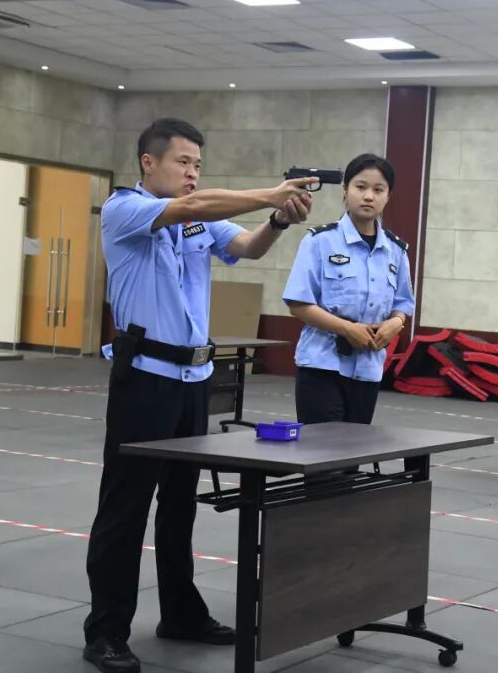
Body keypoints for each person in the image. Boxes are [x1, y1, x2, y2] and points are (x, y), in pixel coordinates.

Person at [83, 117, 318, 673]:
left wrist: (277, 220)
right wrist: (270, 193)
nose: (192, 173)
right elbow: (191, 207)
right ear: (149, 162)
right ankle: (106, 632)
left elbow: (247, 247)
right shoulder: (124, 208)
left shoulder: (199, 218)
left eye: (198, 165)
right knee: (125, 508)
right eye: (183, 162)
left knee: (180, 505)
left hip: (192, 381)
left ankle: (181, 614)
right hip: (145, 379)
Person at [282, 153, 415, 426]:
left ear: (388, 197)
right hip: (322, 366)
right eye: (360, 187)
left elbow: (403, 302)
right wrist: (347, 329)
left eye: (378, 190)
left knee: (355, 449)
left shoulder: (396, 251)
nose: (368, 196)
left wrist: (396, 323)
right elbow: (298, 303)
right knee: (324, 448)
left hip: (368, 369)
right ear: (345, 191)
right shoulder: (319, 241)